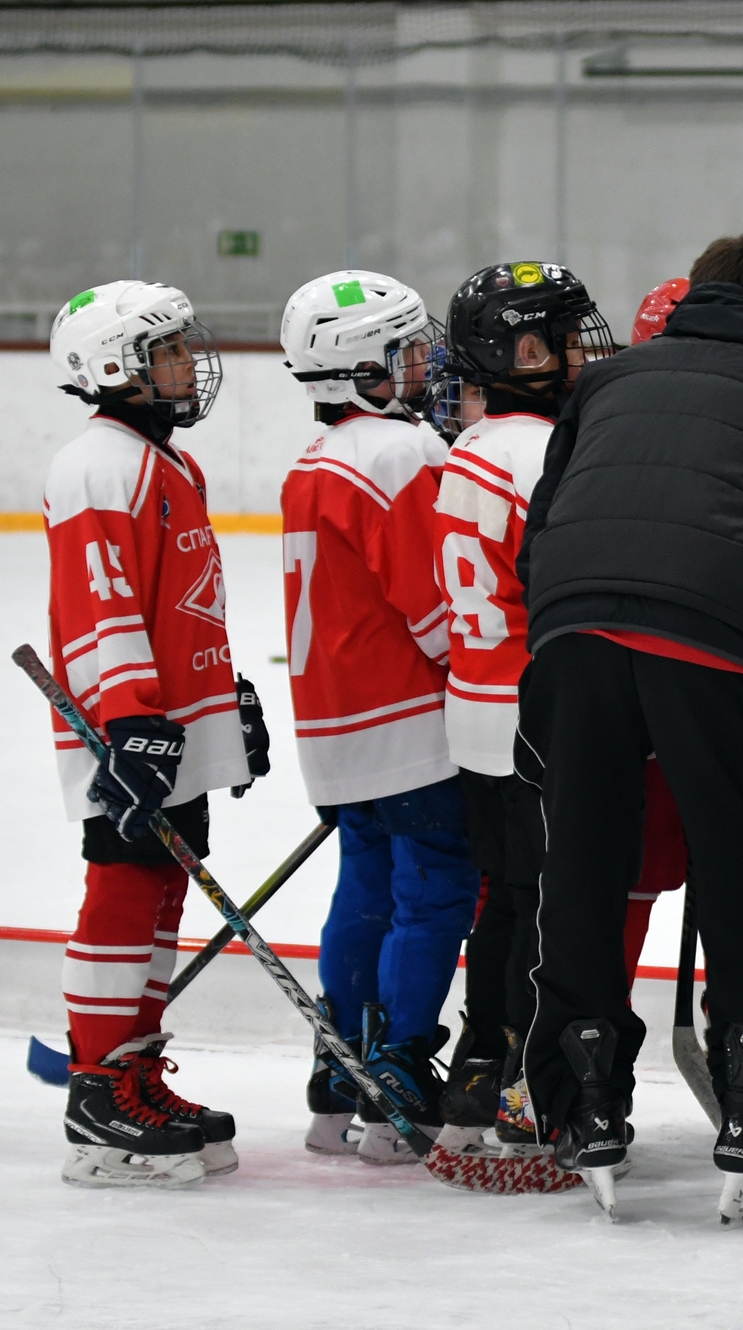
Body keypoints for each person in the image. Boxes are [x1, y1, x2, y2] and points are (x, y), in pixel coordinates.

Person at [515, 229, 743, 1223]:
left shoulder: (609, 377)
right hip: (712, 636)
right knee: (740, 867)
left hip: (575, 628)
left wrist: (560, 637)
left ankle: (581, 1097)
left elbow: (545, 527)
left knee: (581, 860)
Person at [44, 280, 268, 1188]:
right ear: (113, 369)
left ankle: (133, 1065)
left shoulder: (169, 462)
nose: (187, 363)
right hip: (133, 728)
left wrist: (227, 696)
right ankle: (93, 1089)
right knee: (122, 889)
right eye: (167, 350)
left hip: (174, 725)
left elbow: (185, 604)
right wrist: (130, 718)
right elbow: (103, 607)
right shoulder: (96, 465)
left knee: (165, 892)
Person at [278, 270, 480, 1163]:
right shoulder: (402, 454)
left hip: (335, 721)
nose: (426, 361)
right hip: (410, 718)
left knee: (364, 883)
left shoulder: (311, 461)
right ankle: (398, 1067)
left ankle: (341, 1070)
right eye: (407, 350)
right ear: (362, 368)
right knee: (434, 888)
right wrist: (482, 671)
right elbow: (432, 604)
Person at [427, 261, 618, 1147]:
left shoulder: (467, 445)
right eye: (568, 336)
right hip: (535, 716)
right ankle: (529, 1082)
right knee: (548, 904)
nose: (585, 351)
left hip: (473, 711)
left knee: (503, 899)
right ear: (527, 350)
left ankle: (481, 1064)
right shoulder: (543, 451)